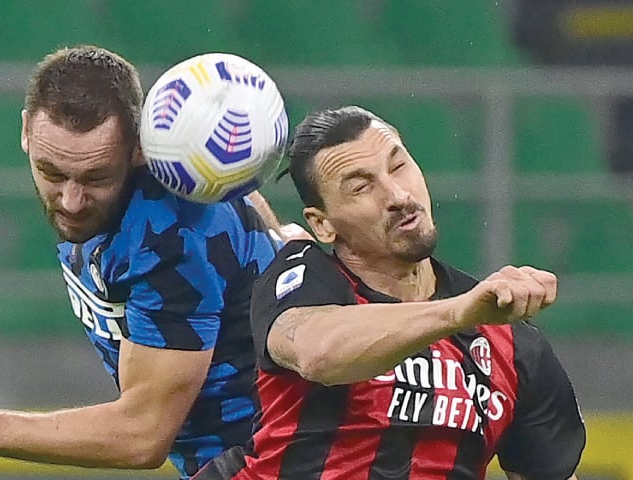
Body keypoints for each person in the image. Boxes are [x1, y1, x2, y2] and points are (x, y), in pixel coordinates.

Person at [0, 45, 286, 480]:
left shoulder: (168, 238)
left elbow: (142, 435)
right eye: (52, 173)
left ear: (139, 150)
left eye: (97, 178)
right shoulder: (167, 198)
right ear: (25, 132)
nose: (71, 202)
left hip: (284, 458)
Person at [194, 106, 586, 480]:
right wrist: (458, 313)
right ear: (323, 225)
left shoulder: (514, 345)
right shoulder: (303, 279)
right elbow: (318, 352)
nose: (397, 195)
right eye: (362, 187)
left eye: (399, 166)